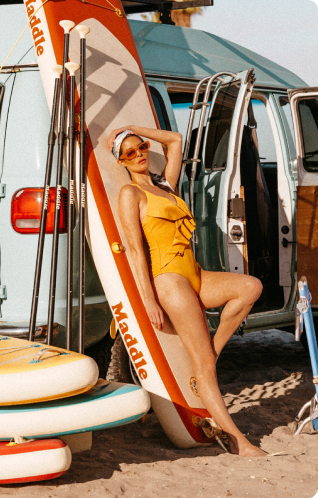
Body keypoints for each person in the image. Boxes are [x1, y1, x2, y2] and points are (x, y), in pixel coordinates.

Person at [107, 125, 266, 457]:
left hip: (193, 273)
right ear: (121, 161)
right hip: (169, 280)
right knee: (202, 363)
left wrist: (132, 129)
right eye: (129, 153)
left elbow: (176, 140)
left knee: (250, 287)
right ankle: (237, 440)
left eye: (141, 148)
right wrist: (148, 299)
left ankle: (213, 353)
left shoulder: (165, 184)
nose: (138, 155)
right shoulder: (130, 194)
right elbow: (135, 251)